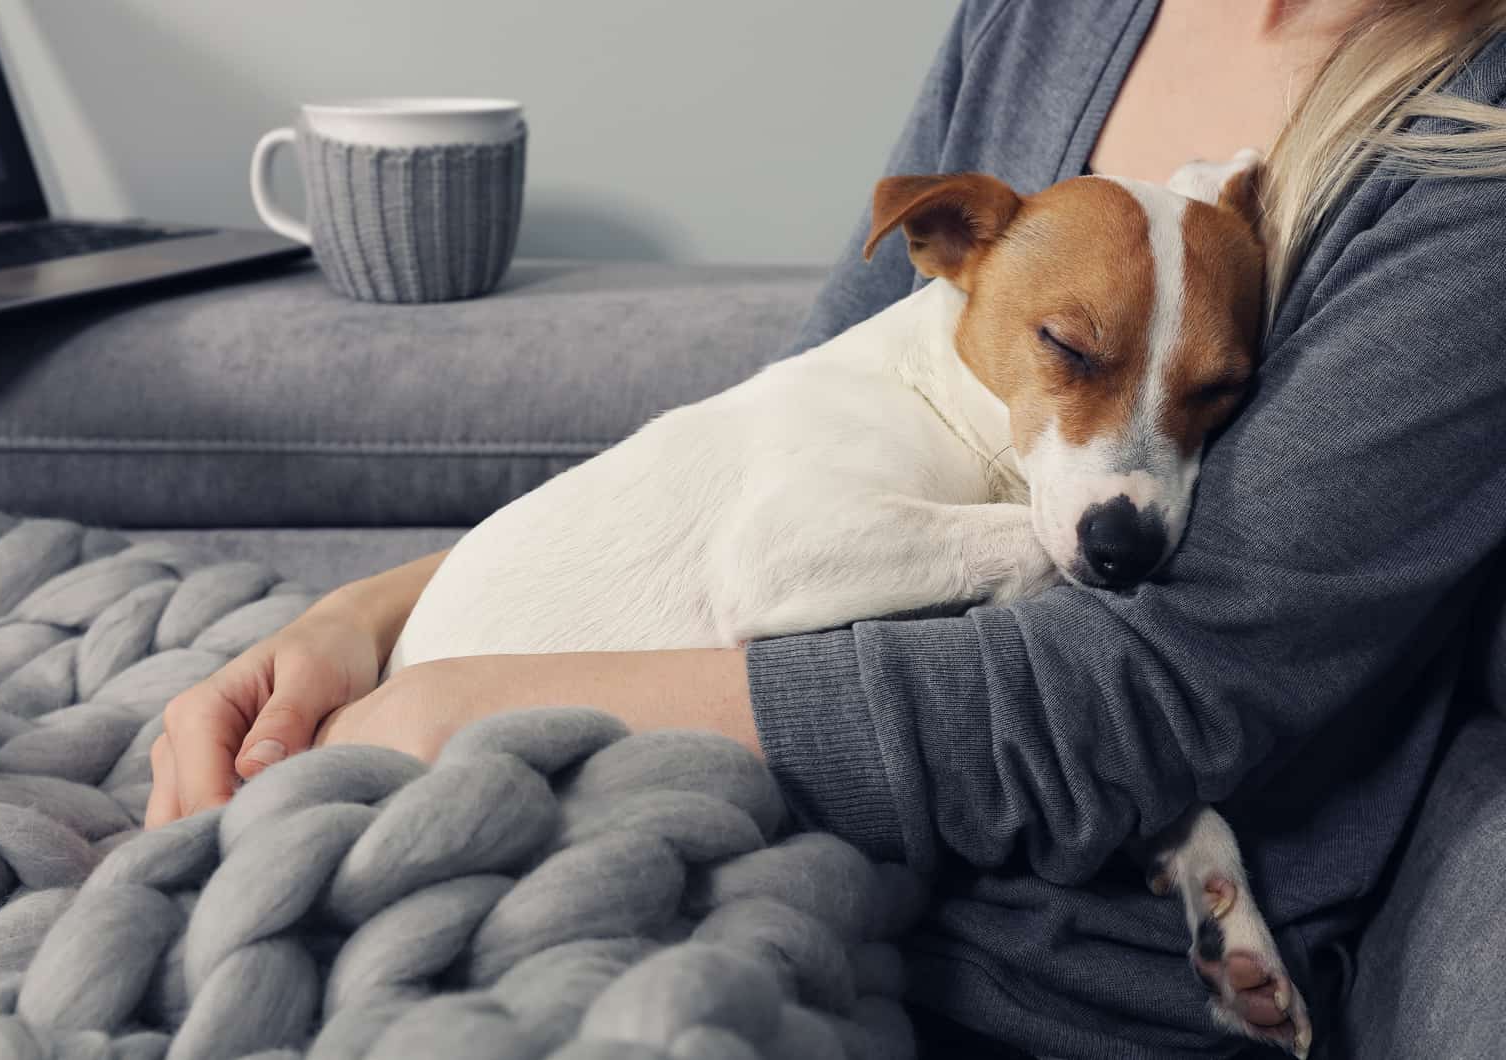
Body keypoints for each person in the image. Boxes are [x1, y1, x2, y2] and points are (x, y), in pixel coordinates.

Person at [147, 1, 1506, 1056]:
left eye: (1210, 395)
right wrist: (366, 622)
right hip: (668, 827)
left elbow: (1148, 699)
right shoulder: (1055, 17)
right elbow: (782, 433)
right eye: (1072, 358)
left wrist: (468, 707)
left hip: (1006, 977)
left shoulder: (1467, 148)